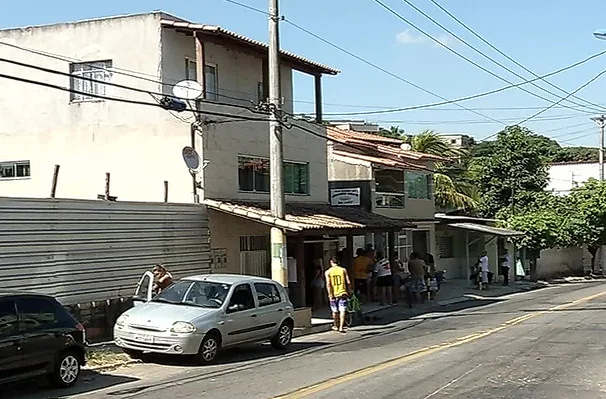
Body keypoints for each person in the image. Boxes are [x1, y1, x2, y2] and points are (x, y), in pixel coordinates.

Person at [325, 256, 352, 333]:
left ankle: (335, 325)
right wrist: (349, 291)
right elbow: (348, 282)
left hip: (333, 293)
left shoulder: (328, 272)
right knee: (342, 310)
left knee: (334, 310)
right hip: (342, 292)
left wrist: (330, 294)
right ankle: (341, 327)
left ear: (331, 262)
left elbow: (328, 284)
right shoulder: (343, 270)